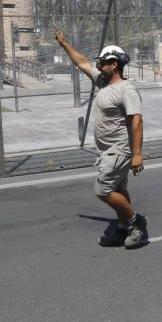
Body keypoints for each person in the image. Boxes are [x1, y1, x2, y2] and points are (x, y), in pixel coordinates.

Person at [55, 30, 149, 248]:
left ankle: (137, 222)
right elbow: (82, 63)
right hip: (106, 150)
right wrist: (64, 43)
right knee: (117, 189)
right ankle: (122, 227)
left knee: (103, 190)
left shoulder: (127, 90)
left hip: (119, 151)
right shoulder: (103, 83)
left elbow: (137, 121)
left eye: (102, 63)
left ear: (114, 64)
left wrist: (137, 155)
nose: (97, 66)